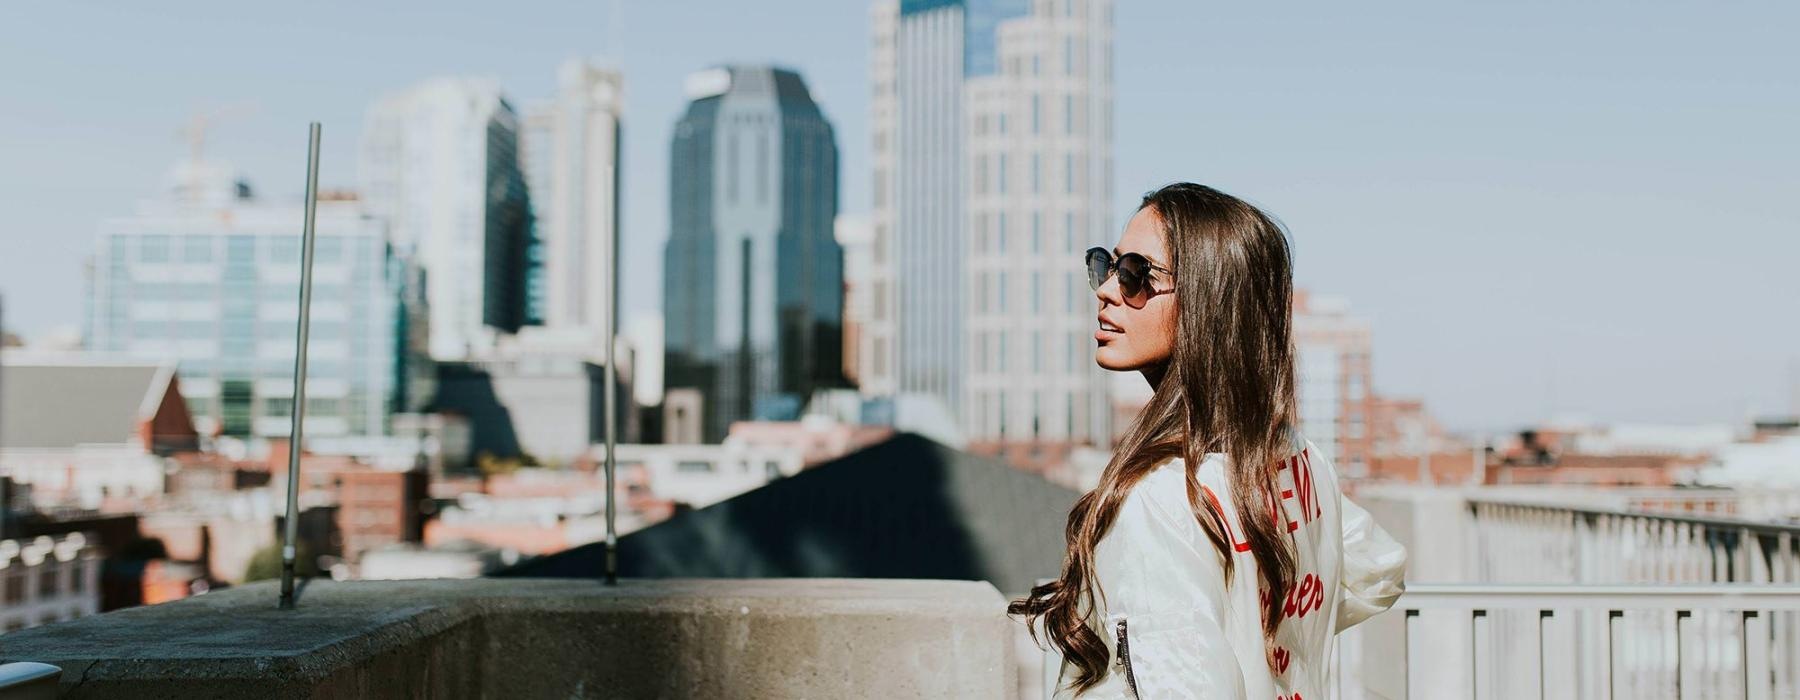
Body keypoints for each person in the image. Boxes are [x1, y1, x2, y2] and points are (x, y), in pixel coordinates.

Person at [1008, 183, 1408, 699]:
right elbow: (1378, 568)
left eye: (1135, 274)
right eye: (1107, 266)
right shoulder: (1295, 455)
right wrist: (1262, 638)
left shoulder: (1160, 498)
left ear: (1208, 303)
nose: (1107, 289)